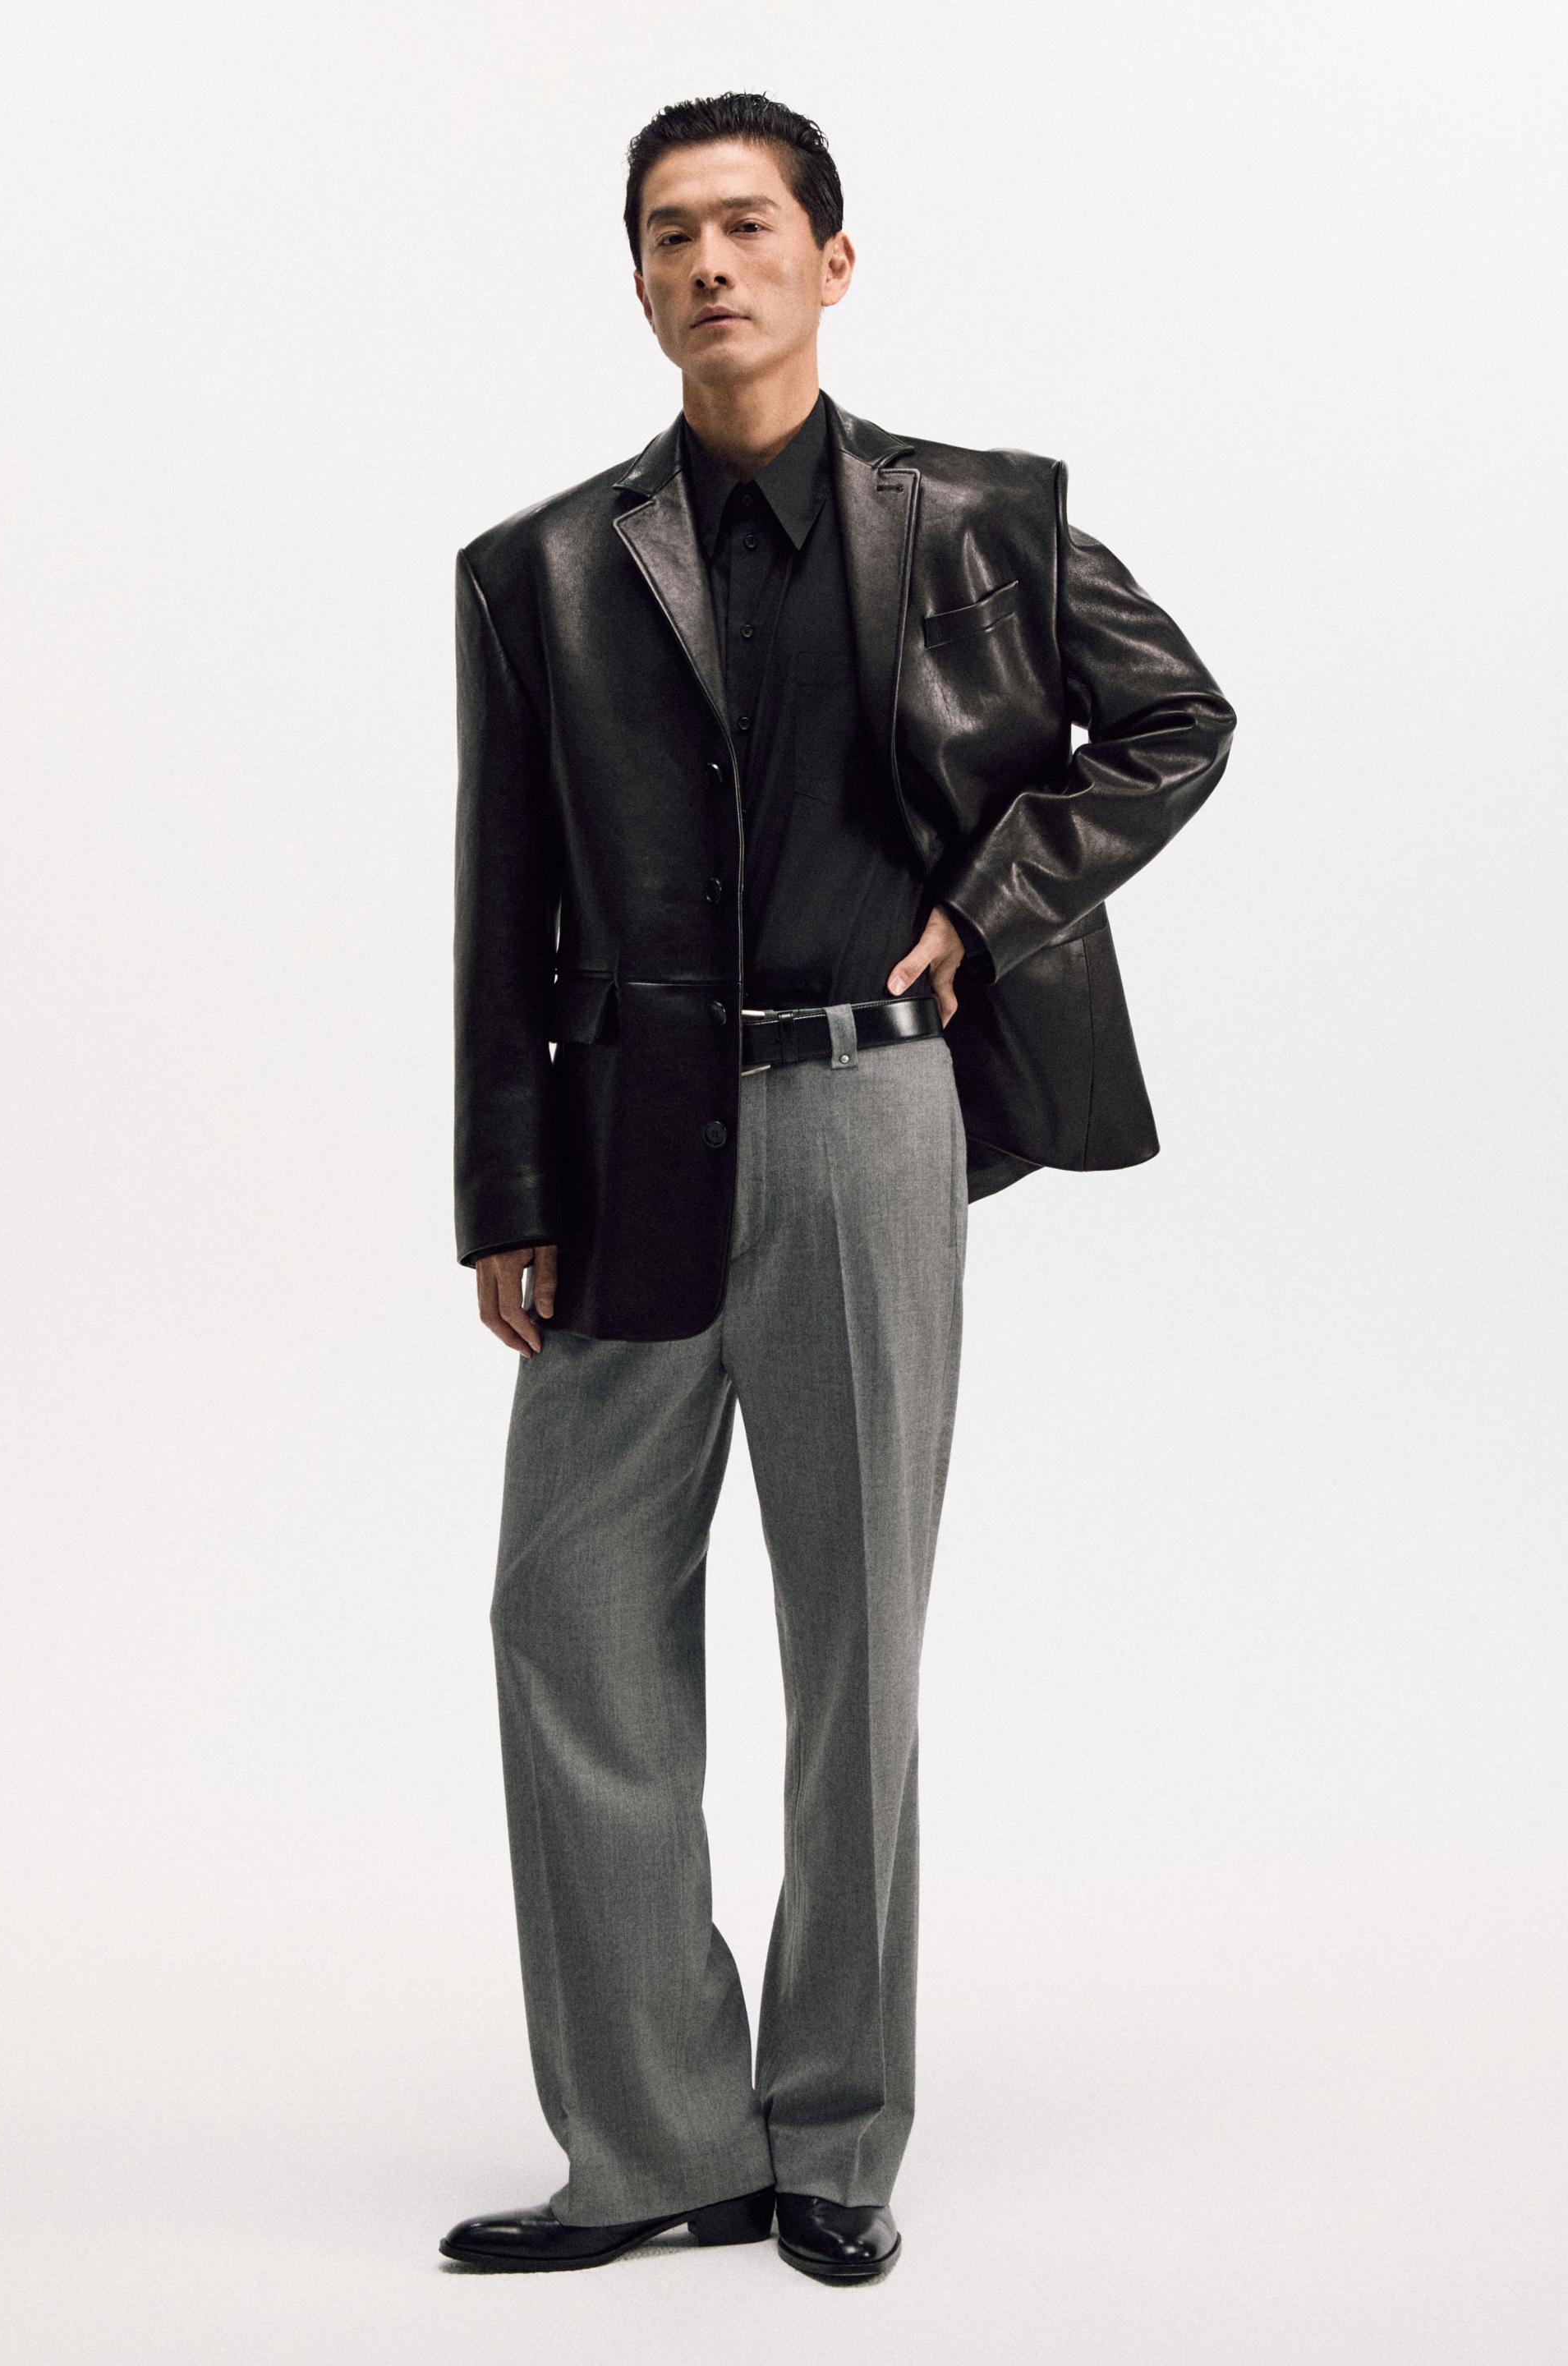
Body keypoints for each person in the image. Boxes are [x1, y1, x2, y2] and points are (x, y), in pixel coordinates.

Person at [439, 90, 1236, 2285]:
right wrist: (502, 1184)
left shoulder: (979, 520)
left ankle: (834, 2137)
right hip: (625, 1149)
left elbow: (1176, 720)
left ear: (831, 260)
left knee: (854, 1641)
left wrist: (992, 903)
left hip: (873, 1115)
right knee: (566, 1619)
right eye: (668, 234)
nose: (710, 262)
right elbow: (502, 901)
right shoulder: (540, 571)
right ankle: (650, 2143)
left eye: (748, 224)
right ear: (636, 282)